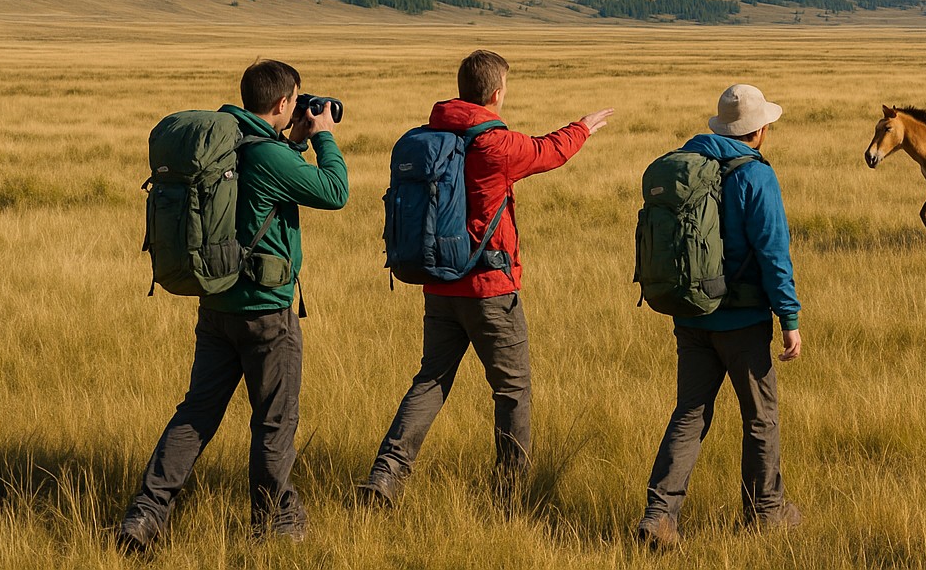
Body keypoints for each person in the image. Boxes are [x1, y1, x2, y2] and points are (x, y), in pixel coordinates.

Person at [356, 49, 612, 504]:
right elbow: (548, 151)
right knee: (512, 391)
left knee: (430, 380)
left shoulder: (431, 135)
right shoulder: (495, 145)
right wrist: (582, 127)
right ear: (496, 94)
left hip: (437, 284)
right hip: (490, 289)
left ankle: (385, 477)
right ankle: (509, 495)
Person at [116, 59, 349, 552]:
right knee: (274, 421)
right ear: (285, 103)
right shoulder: (269, 156)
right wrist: (324, 136)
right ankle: (276, 524)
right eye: (296, 103)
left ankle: (145, 516)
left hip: (217, 306)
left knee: (196, 414)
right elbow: (335, 192)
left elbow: (257, 181)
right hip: (267, 313)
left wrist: (296, 141)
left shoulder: (229, 144)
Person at [636, 83, 803, 549]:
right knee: (760, 418)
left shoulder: (691, 161)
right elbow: (774, 254)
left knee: (690, 413)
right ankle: (767, 513)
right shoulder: (756, 176)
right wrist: (789, 318)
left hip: (691, 315)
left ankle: (659, 515)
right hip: (743, 322)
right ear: (760, 130)